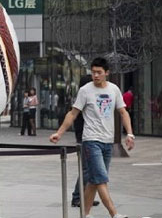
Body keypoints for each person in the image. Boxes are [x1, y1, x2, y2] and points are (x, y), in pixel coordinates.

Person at [49, 57, 135, 218]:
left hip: (107, 141)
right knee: (101, 178)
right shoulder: (85, 90)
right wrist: (59, 133)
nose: (95, 75)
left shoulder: (114, 89)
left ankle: (85, 214)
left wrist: (129, 134)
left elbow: (123, 112)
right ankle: (114, 214)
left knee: (94, 180)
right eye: (93, 72)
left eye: (99, 72)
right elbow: (73, 113)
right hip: (91, 140)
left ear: (106, 73)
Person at [71, 75, 100, 208]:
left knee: (91, 169)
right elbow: (78, 122)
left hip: (89, 138)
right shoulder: (82, 99)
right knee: (86, 170)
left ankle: (87, 197)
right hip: (85, 138)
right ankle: (77, 197)